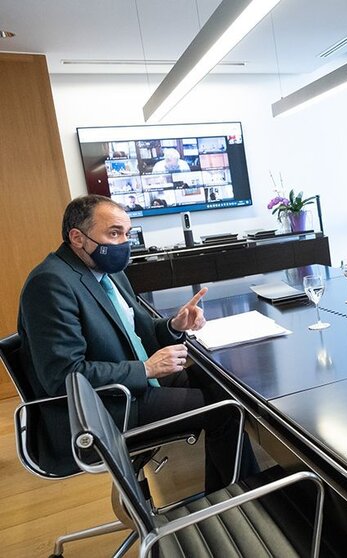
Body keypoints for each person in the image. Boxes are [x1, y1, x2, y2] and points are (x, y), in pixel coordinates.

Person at [18, 195, 258, 491]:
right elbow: (63, 376)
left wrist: (173, 325)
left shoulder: (110, 271)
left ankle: (226, 497)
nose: (123, 243)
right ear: (77, 237)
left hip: (133, 386)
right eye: (114, 233)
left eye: (127, 234)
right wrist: (144, 369)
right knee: (226, 410)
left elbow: (138, 329)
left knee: (224, 387)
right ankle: (246, 499)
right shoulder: (50, 283)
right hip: (104, 408)